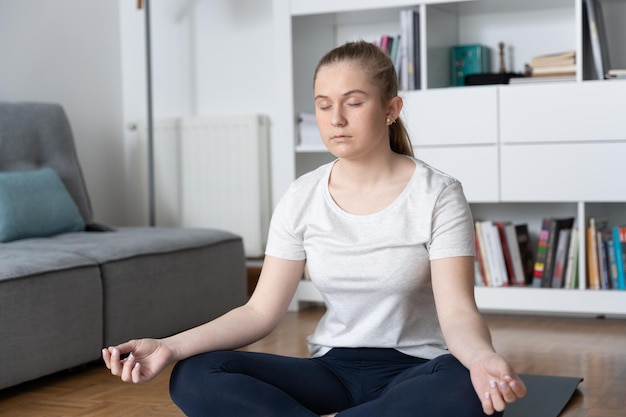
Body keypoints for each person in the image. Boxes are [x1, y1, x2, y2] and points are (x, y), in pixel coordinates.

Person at [103, 40, 526, 417]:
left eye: (353, 102)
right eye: (324, 104)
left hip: (418, 369)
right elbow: (259, 311)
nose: (336, 118)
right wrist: (170, 346)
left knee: (466, 385)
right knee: (195, 372)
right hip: (332, 370)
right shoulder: (302, 196)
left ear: (391, 110)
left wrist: (482, 357)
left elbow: (456, 312)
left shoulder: (438, 194)